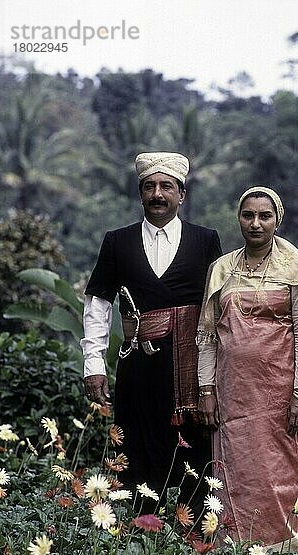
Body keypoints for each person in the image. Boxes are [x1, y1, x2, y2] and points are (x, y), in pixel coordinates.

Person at [81, 152, 222, 502]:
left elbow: (219, 308)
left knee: (195, 458)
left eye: (166, 186)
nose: (158, 193)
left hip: (192, 374)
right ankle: (137, 533)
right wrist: (93, 364)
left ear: (182, 194)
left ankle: (195, 540)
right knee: (135, 453)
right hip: (138, 369)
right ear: (140, 193)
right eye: (150, 187)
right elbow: (98, 303)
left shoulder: (206, 241)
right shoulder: (118, 241)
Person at [197, 186, 298, 551]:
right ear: (238, 218)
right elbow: (207, 335)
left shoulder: (295, 268)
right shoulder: (222, 269)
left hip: (281, 395)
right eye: (248, 215)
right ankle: (237, 548)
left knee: (279, 470)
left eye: (264, 216)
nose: (255, 224)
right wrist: (206, 390)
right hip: (232, 394)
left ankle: (287, 549)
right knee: (237, 469)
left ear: (277, 220)